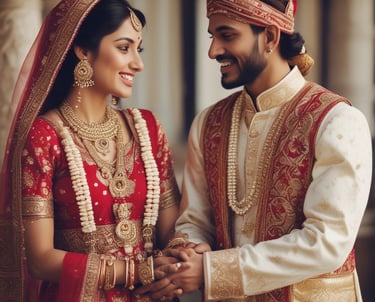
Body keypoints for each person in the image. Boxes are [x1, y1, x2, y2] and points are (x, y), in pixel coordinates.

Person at [134, 0, 373, 301]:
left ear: (271, 37)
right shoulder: (208, 123)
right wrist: (189, 250)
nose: (213, 50)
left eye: (227, 35)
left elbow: (327, 243)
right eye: (212, 36)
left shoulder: (336, 120)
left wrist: (211, 271)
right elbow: (193, 221)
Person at [0, 0, 181, 301]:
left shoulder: (147, 129)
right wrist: (137, 272)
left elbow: (172, 229)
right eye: (124, 48)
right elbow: (41, 258)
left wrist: (177, 257)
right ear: (83, 51)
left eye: (140, 49)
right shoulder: (45, 136)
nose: (138, 63)